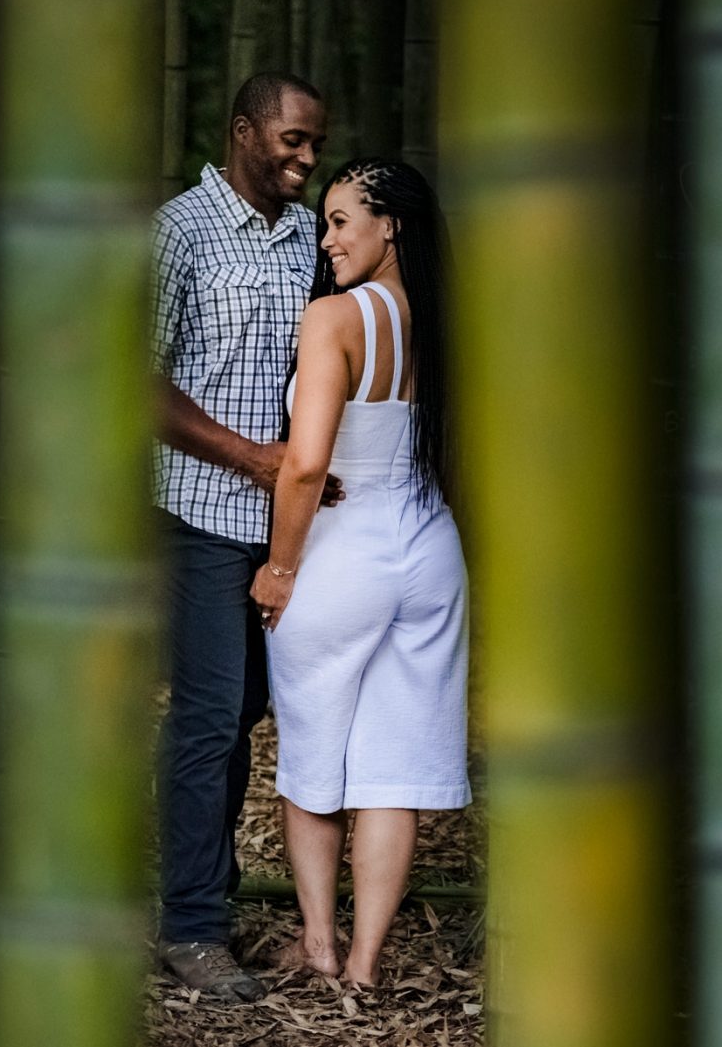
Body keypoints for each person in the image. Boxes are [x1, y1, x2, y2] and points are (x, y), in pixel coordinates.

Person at [249, 157, 469, 986]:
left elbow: (306, 466)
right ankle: (368, 963)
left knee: (312, 755)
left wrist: (278, 567)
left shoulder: (333, 319)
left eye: (343, 219)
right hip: (428, 544)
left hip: (342, 551)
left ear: (393, 227)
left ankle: (319, 944)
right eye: (326, 219)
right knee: (393, 766)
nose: (327, 235)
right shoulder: (442, 321)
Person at [150, 72, 341, 1003]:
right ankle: (190, 925)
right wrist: (252, 460)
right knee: (209, 714)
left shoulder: (313, 236)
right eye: (295, 140)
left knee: (245, 712)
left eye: (315, 144)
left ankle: (202, 888)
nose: (308, 158)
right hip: (198, 514)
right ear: (243, 133)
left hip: (288, 524)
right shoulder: (179, 230)